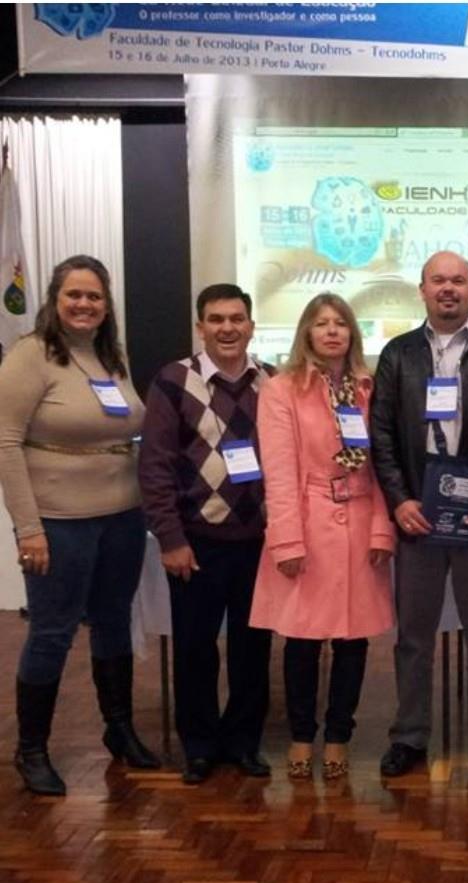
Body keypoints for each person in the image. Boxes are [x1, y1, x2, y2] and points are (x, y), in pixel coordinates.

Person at [0, 255, 160, 796]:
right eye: (74, 294)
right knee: (52, 631)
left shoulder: (110, 355)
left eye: (94, 296)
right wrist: (28, 528)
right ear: (54, 298)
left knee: (114, 620)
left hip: (121, 516)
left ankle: (119, 730)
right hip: (58, 520)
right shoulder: (31, 356)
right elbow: (5, 442)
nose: (85, 304)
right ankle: (32, 750)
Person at [370, 251, 468, 777]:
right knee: (413, 638)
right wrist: (400, 500)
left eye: (457, 281)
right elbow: (383, 437)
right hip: (418, 518)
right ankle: (410, 736)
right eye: (438, 280)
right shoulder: (397, 354)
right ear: (421, 289)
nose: (448, 289)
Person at [249, 293, 395, 779]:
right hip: (307, 523)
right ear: (305, 333)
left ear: (353, 333)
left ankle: (338, 735)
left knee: (353, 641)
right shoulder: (281, 389)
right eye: (320, 323)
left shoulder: (369, 390)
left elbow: (383, 467)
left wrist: (381, 528)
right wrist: (286, 541)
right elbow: (280, 471)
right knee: (302, 641)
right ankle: (300, 735)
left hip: (359, 522)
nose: (331, 331)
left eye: (340, 324)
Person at [139, 283, 274, 784]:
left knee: (251, 651)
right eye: (216, 319)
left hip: (258, 544)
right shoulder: (174, 381)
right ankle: (198, 745)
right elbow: (154, 467)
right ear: (201, 327)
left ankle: (243, 743)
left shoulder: (272, 383)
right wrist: (171, 539)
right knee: (196, 650)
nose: (227, 328)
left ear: (251, 325)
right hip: (195, 543)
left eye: (237, 318)